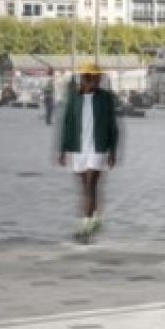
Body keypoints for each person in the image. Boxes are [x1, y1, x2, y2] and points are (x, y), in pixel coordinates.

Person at [57, 64, 120, 243]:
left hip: (98, 148)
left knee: (90, 185)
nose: (96, 81)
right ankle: (93, 220)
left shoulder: (106, 98)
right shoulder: (74, 98)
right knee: (85, 187)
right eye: (92, 78)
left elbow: (112, 126)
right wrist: (63, 150)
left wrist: (112, 151)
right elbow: (68, 123)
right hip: (79, 148)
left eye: (97, 78)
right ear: (84, 79)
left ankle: (85, 226)